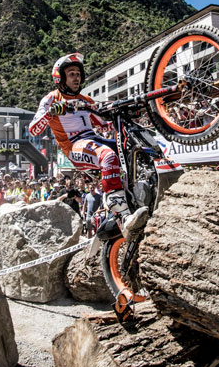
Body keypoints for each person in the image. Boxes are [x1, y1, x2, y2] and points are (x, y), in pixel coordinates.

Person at [29, 53, 148, 241]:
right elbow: (33, 130)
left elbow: (105, 123)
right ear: (60, 77)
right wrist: (50, 113)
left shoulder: (85, 100)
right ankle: (123, 216)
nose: (76, 77)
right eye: (71, 74)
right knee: (108, 156)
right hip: (74, 146)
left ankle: (137, 197)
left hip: (94, 138)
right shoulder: (51, 99)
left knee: (134, 149)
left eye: (78, 74)